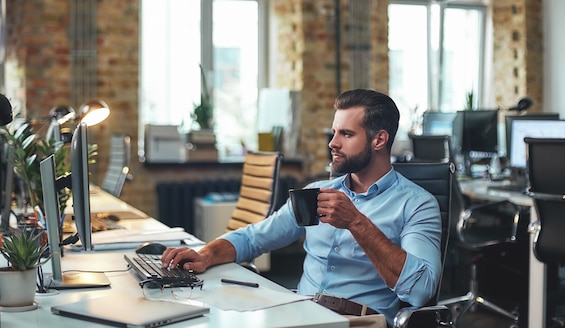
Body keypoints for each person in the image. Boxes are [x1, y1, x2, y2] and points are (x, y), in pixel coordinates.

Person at [162, 89, 442, 326]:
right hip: (300, 312)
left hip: (358, 321)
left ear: (379, 140)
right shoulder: (317, 193)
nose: (333, 143)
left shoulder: (417, 204)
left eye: (346, 134)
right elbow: (253, 238)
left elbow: (420, 290)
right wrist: (205, 255)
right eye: (334, 132)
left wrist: (357, 223)